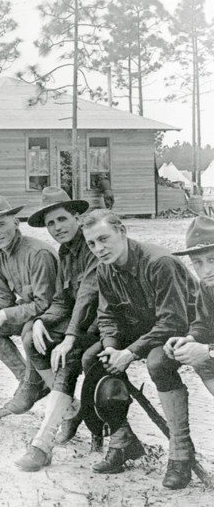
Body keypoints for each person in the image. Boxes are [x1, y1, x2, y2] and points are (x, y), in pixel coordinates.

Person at [82, 209, 198, 488]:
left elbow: (173, 321)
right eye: (91, 244)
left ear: (122, 231)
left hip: (186, 329)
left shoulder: (159, 262)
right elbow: (107, 316)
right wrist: (112, 348)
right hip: (145, 329)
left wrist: (130, 352)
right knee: (92, 358)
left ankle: (181, 452)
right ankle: (123, 440)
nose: (99, 248)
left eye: (104, 238)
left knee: (157, 363)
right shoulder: (104, 267)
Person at [13, 187, 99, 471]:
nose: (57, 228)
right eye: (50, 223)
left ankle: (42, 443)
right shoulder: (65, 251)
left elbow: (88, 295)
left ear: (77, 216)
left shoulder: (91, 245)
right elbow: (63, 299)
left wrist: (70, 337)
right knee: (31, 335)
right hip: (82, 320)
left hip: (106, 322)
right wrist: (41, 320)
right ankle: (68, 407)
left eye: (62, 219)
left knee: (67, 354)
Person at [0, 194, 58, 418]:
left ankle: (32, 384)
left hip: (53, 320)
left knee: (25, 324)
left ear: (16, 223)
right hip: (29, 314)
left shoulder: (37, 253)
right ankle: (27, 380)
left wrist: (5, 313)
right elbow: (1, 294)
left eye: (1, 224)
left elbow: (45, 304)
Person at [164, 215, 214, 396]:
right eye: (198, 263)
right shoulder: (208, 286)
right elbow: (203, 323)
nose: (206, 270)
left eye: (212, 260)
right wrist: (190, 339)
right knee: (199, 360)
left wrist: (208, 351)